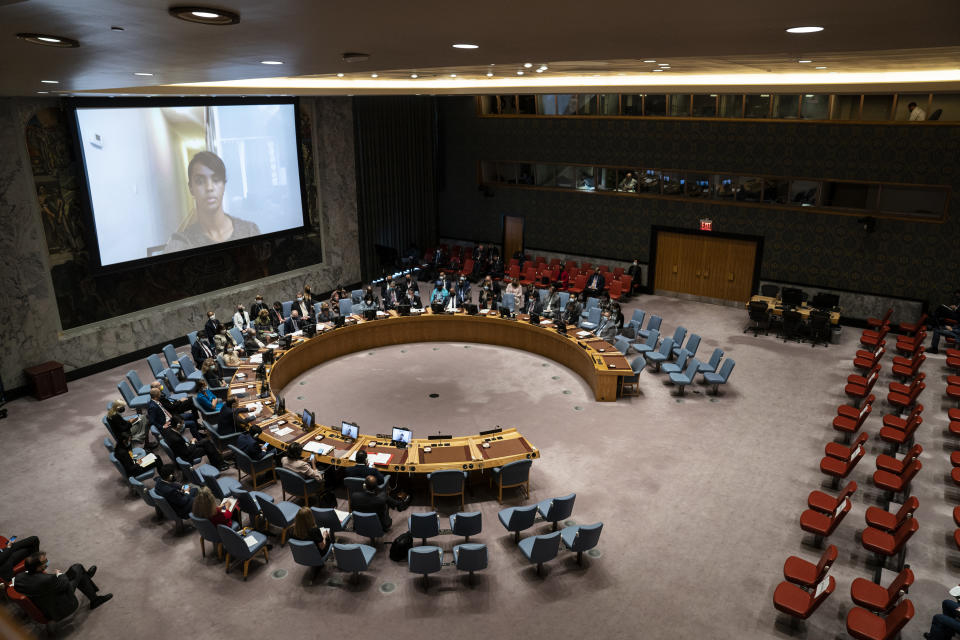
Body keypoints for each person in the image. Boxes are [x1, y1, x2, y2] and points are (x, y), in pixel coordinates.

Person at [164, 150, 261, 253]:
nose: (209, 188)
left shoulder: (250, 231)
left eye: (216, 179)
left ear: (224, 185)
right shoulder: (182, 244)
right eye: (200, 181)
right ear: (191, 188)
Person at [15, 552, 112, 620]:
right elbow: (65, 585)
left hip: (45, 604)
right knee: (77, 567)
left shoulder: (19, 578)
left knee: (77, 573)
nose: (48, 562)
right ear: (39, 567)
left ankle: (85, 576)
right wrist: (58, 574)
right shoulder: (48, 579)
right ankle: (94, 598)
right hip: (64, 604)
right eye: (46, 561)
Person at [162, 415, 228, 470]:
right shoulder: (176, 439)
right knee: (207, 447)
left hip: (182, 448)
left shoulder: (168, 429)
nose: (183, 424)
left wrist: (191, 443)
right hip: (186, 456)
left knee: (206, 441)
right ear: (178, 425)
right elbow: (187, 452)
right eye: (182, 423)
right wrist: (193, 442)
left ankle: (218, 461)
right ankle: (219, 465)